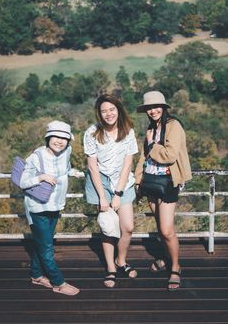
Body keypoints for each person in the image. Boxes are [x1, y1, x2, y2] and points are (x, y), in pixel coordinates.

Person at [135, 91, 192, 291]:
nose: (153, 110)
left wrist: (152, 144)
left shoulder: (173, 126)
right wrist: (137, 180)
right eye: (149, 108)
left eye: (156, 106)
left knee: (167, 230)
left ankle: (175, 267)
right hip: (150, 181)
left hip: (168, 182)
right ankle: (165, 259)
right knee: (160, 227)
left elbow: (169, 155)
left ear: (164, 107)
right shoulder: (152, 128)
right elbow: (144, 157)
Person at [20, 120, 81, 296]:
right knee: (47, 247)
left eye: (64, 138)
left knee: (43, 243)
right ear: (48, 137)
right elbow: (23, 182)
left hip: (55, 205)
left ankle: (37, 275)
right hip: (37, 207)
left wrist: (72, 172)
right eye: (56, 137)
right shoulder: (36, 157)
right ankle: (58, 282)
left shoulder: (66, 151)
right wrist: (41, 177)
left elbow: (65, 169)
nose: (60, 141)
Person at [83, 94, 138, 288]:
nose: (108, 114)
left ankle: (121, 260)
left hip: (123, 183)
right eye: (104, 111)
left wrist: (118, 194)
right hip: (101, 183)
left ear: (118, 110)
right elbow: (92, 167)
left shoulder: (128, 131)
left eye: (111, 109)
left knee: (127, 227)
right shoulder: (92, 132)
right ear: (99, 113)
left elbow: (127, 164)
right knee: (108, 228)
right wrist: (103, 197)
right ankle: (111, 268)